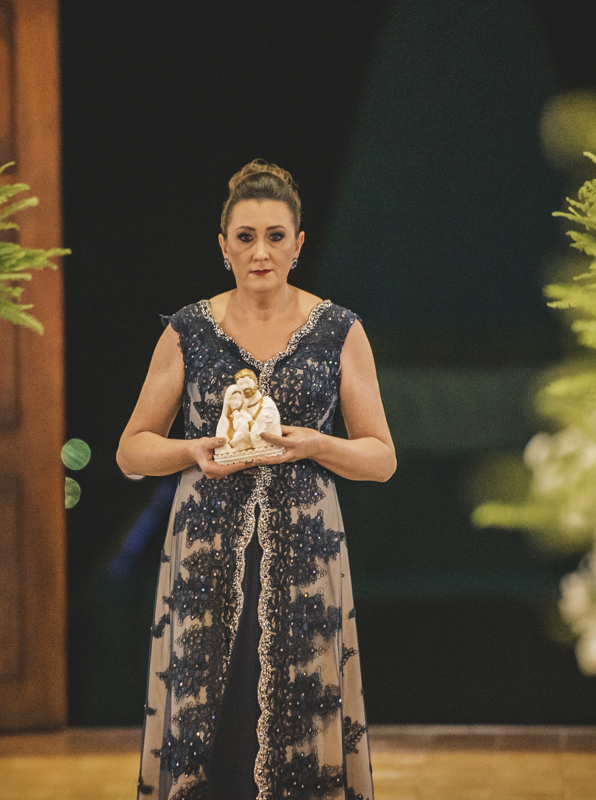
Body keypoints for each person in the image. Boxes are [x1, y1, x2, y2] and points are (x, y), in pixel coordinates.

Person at [118, 160, 395, 800]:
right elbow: (131, 451)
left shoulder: (339, 330)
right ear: (224, 248)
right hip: (206, 549)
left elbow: (381, 457)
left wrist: (317, 444)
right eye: (245, 237)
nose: (260, 251)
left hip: (305, 550)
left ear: (299, 245)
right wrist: (192, 450)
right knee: (210, 716)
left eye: (275, 236)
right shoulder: (188, 330)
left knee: (301, 708)